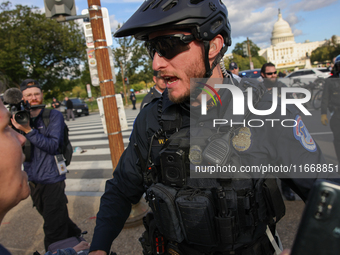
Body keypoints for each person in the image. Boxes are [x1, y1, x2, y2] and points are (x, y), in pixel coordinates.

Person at [89, 1, 333, 254]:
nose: (156, 64)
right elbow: (120, 190)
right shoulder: (152, 117)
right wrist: (99, 247)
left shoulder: (268, 110)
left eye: (167, 46)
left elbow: (326, 195)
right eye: (152, 49)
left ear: (213, 46)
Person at [0, 89, 89, 255]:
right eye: (28, 95)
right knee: (55, 219)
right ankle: (77, 239)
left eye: (36, 93)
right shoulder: (17, 117)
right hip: (33, 180)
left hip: (52, 178)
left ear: (42, 95)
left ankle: (60, 248)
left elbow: (53, 146)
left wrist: (28, 131)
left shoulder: (52, 116)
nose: (33, 97)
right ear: (22, 99)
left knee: (53, 230)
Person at [261, 63, 296, 201]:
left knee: (285, 164)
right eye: (270, 73)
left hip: (282, 132)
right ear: (263, 75)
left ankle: (287, 191)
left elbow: (293, 108)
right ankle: (270, 195)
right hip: (264, 134)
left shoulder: (283, 88)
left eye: (275, 72)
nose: (273, 75)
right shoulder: (258, 90)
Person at [321, 55, 340, 164]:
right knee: (338, 140)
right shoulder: (330, 81)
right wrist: (323, 113)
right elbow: (325, 98)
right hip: (337, 114)